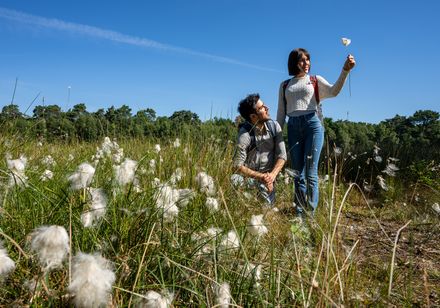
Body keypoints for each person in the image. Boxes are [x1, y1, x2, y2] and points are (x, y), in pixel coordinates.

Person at [276, 48, 356, 216]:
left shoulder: (314, 80)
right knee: (298, 173)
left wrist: (345, 70)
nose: (306, 63)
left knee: (311, 173)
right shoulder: (284, 85)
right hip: (292, 126)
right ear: (294, 63)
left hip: (313, 124)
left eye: (308, 60)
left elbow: (334, 91)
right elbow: (281, 113)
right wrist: (277, 136)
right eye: (302, 60)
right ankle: (299, 215)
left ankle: (310, 214)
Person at [233, 93, 287, 204]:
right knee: (234, 179)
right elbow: (237, 166)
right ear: (253, 116)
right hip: (251, 179)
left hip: (269, 179)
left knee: (266, 210)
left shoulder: (274, 127)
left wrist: (271, 176)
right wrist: (261, 177)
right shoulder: (245, 135)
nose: (267, 108)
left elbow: (282, 156)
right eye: (262, 108)